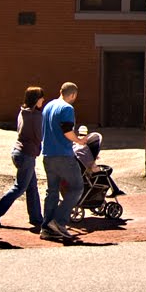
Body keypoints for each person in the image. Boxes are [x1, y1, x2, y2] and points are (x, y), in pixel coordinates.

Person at [0, 86, 45, 229]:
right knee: (20, 187)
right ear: (36, 99)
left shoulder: (23, 111)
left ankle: (36, 217)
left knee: (32, 186)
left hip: (18, 151)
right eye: (41, 98)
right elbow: (40, 136)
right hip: (27, 155)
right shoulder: (36, 116)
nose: (43, 100)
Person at [40, 82, 90, 242]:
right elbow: (67, 131)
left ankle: (46, 226)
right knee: (77, 187)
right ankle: (59, 221)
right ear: (73, 95)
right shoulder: (67, 108)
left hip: (48, 154)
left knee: (52, 191)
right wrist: (80, 141)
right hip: (63, 155)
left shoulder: (48, 106)